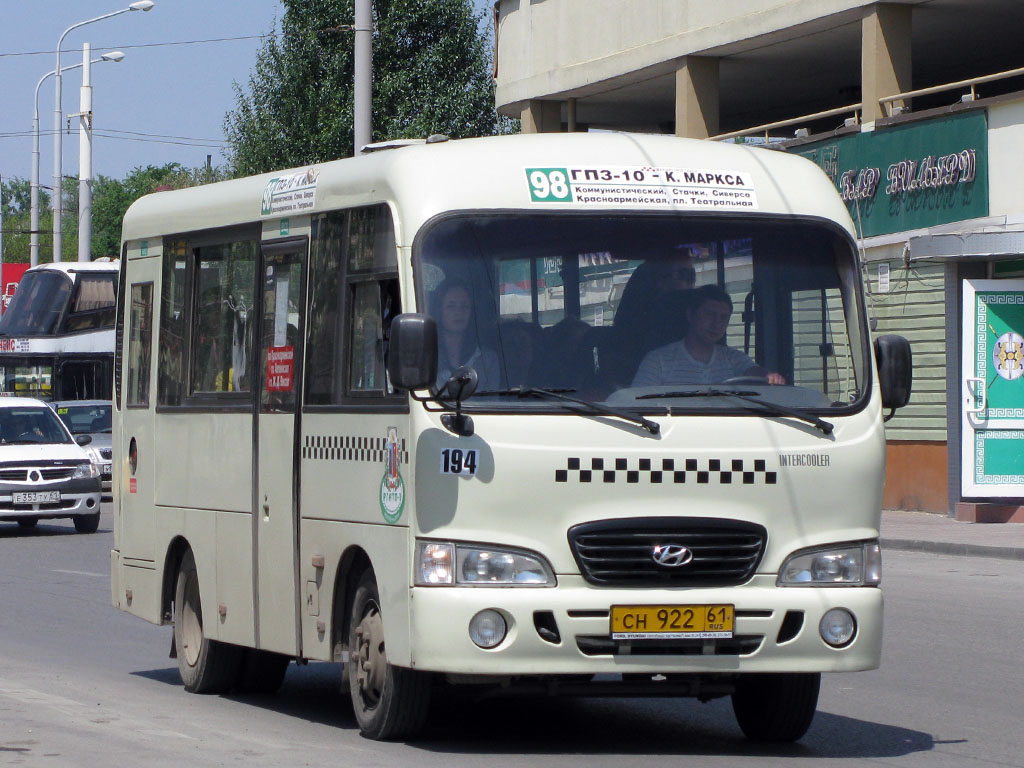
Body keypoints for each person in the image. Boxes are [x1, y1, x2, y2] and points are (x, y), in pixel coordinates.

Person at [632, 284, 785, 386]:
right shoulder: (658, 361)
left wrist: (768, 376)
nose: (716, 323)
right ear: (691, 315)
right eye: (709, 314)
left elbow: (753, 372)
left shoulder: (733, 359)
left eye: (723, 317)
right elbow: (636, 404)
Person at [432, 278, 499, 391]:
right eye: (451, 306)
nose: (459, 312)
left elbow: (493, 402)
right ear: (439, 311)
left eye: (464, 306)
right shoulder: (427, 358)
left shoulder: (487, 360)